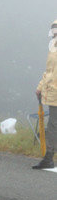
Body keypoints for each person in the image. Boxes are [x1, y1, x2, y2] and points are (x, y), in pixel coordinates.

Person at [32, 20, 57, 169]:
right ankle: (48, 157)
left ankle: (49, 157)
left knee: (53, 125)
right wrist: (40, 87)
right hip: (52, 92)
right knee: (53, 125)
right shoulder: (52, 48)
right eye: (53, 28)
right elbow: (49, 71)